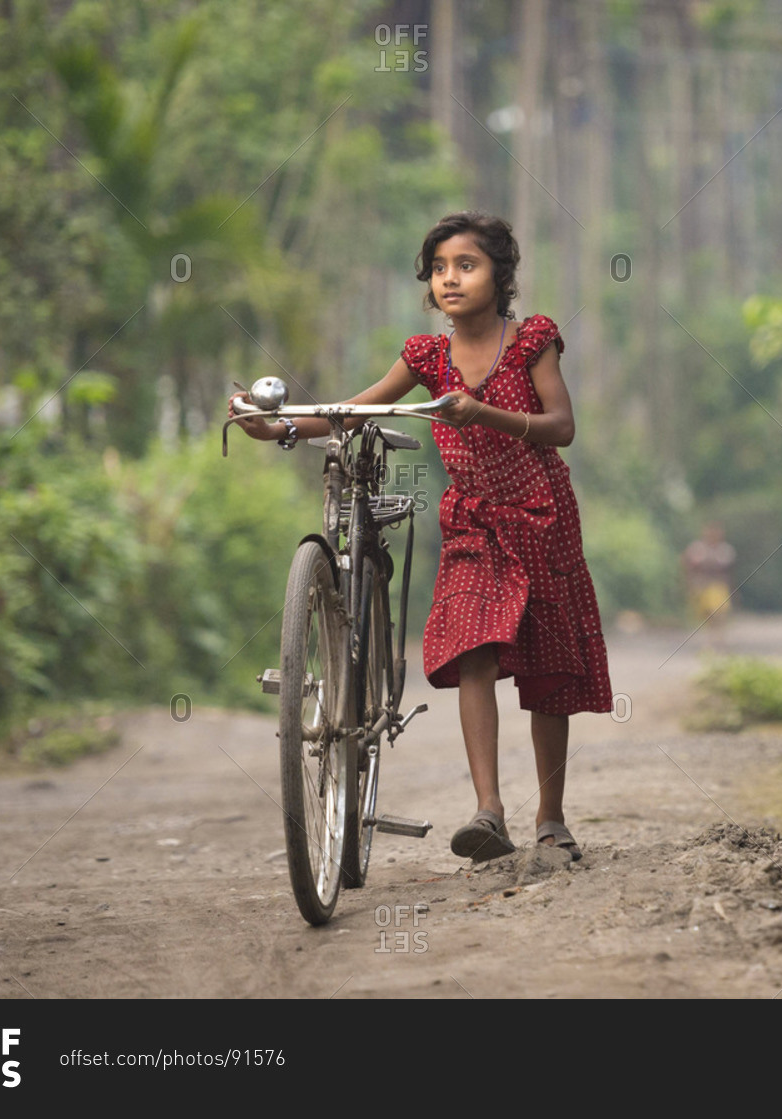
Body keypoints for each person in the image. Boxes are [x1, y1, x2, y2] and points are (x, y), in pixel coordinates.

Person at [230, 210, 611, 863]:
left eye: (467, 265)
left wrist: (482, 410)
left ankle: (551, 815)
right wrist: (284, 427)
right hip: (474, 520)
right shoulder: (426, 355)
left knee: (551, 667)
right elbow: (358, 408)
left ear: (501, 274)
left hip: (542, 515)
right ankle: (488, 811)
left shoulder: (530, 340)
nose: (450, 279)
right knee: (474, 648)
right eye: (438, 269)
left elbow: (561, 425)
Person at [682, 520, 736, 633]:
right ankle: (710, 639)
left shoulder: (724, 549)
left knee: (718, 613)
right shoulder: (697, 548)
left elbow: (727, 568)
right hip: (701, 586)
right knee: (705, 615)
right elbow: (689, 565)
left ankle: (717, 639)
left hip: (718, 586)